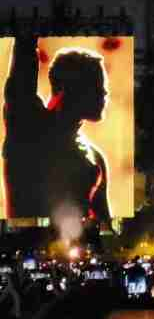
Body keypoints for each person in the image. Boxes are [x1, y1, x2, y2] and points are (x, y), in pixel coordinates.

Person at [2, 32, 110, 221]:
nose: (104, 92)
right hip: (29, 240)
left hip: (73, 245)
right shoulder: (27, 126)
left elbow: (104, 224)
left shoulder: (95, 157)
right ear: (63, 89)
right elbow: (22, 70)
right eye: (94, 85)